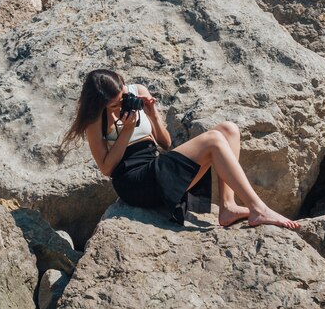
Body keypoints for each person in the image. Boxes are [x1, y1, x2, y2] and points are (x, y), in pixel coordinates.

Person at [61, 69, 300, 229]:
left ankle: (227, 206)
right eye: (115, 103)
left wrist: (153, 117)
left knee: (229, 130)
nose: (122, 103)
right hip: (134, 181)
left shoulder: (139, 91)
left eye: (124, 96)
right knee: (214, 140)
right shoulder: (95, 120)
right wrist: (125, 131)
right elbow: (106, 168)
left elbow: (165, 143)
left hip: (155, 164)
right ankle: (258, 209)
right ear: (101, 102)